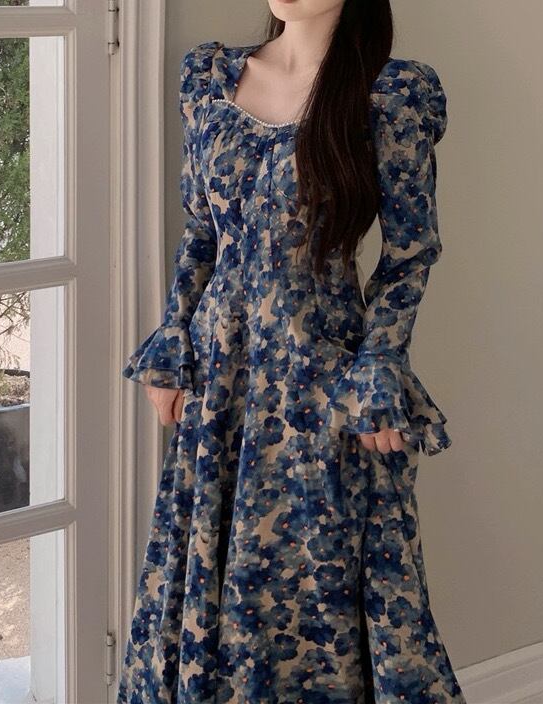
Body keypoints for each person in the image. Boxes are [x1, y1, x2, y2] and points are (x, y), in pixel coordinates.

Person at [118, 0, 466, 701]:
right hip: (220, 385)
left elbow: (409, 255)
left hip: (321, 388)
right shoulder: (210, 79)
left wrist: (378, 366)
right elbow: (202, 234)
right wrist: (173, 339)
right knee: (210, 581)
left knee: (317, 597)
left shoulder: (391, 95)